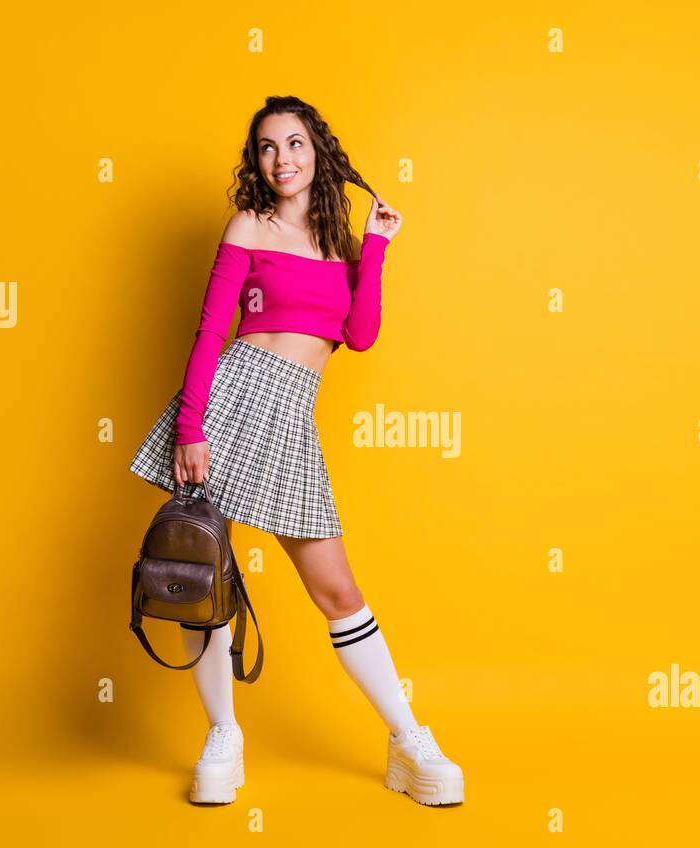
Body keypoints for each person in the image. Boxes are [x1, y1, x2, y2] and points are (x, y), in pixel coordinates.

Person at [129, 95, 463, 807]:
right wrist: (192, 426)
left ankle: (408, 740)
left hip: (291, 421)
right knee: (200, 571)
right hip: (230, 401)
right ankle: (224, 735)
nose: (282, 159)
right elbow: (210, 330)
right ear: (257, 161)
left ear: (318, 153)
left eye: (295, 144)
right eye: (267, 147)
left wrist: (375, 248)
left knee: (337, 591)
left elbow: (361, 332)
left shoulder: (343, 246)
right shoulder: (247, 224)